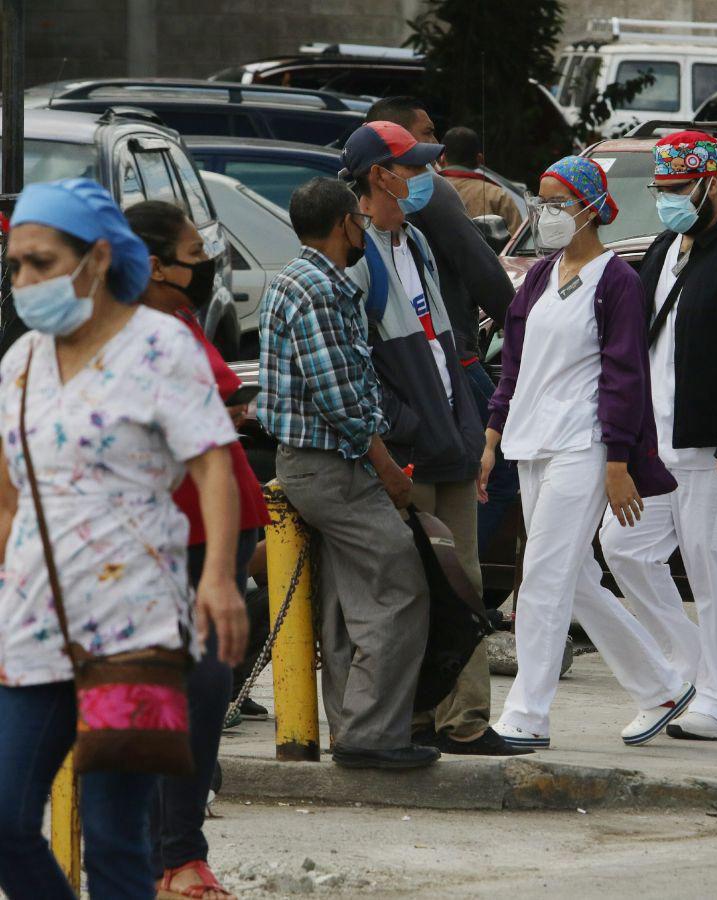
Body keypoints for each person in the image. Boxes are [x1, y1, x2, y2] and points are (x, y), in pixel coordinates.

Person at [0, 179, 247, 899]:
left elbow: (213, 466)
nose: (23, 282)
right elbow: (9, 499)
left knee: (114, 839)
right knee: (8, 821)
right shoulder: (20, 364)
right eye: (15, 265)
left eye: (40, 263)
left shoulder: (161, 346)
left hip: (134, 627)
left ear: (97, 258)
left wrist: (219, 576)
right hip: (31, 627)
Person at [480, 155, 693, 749]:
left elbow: (626, 375)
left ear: (590, 208)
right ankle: (660, 688)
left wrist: (618, 462)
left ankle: (527, 715)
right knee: (572, 580)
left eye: (556, 201)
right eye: (540, 199)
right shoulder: (538, 277)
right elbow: (514, 365)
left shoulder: (617, 281)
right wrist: (493, 435)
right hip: (530, 442)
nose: (545, 212)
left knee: (544, 579)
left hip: (585, 446)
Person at [599, 131, 717, 742]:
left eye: (679, 189)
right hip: (660, 445)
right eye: (662, 190)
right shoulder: (663, 247)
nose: (669, 200)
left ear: (710, 184)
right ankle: (690, 669)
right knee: (622, 547)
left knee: (715, 568)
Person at [343, 121, 518, 757]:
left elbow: (445, 343)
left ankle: (465, 721)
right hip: (407, 453)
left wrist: (468, 432)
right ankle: (413, 719)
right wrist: (406, 431)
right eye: (411, 168)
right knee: (413, 587)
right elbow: (356, 366)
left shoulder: (415, 241)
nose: (423, 178)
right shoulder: (354, 256)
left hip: (451, 441)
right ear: (377, 177)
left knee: (463, 581)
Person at [258, 176, 438, 772]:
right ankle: (372, 734)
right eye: (359, 221)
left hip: (316, 466)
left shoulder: (296, 278)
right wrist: (388, 470)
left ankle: (354, 727)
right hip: (331, 467)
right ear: (343, 225)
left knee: (344, 604)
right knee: (399, 586)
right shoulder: (318, 289)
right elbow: (340, 401)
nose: (363, 230)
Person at [126, 199, 272, 900]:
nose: (208, 258)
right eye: (196, 249)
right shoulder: (133, 329)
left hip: (214, 527)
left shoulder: (176, 316)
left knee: (200, 686)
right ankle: (175, 857)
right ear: (154, 266)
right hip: (175, 532)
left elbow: (218, 396)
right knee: (189, 686)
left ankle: (176, 852)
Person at [364, 97, 518, 557]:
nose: (435, 148)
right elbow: (486, 274)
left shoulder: (395, 228)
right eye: (426, 134)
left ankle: (452, 582)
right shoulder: (428, 193)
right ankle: (454, 581)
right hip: (452, 365)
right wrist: (528, 337)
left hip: (412, 375)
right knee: (497, 472)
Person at [440, 125, 524, 237]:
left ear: (442, 158)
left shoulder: (423, 190)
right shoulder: (498, 195)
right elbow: (516, 242)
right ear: (480, 159)